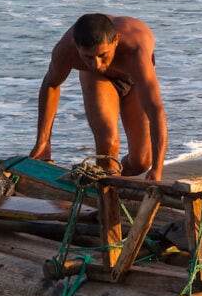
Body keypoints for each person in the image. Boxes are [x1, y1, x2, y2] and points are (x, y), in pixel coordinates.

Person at [29, 13, 168, 181]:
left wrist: (157, 169)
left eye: (102, 55)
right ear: (76, 45)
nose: (97, 64)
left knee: (142, 162)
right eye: (88, 57)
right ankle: (107, 195)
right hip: (97, 80)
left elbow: (156, 110)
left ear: (115, 40)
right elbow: (51, 84)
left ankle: (115, 179)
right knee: (108, 144)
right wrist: (43, 143)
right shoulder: (66, 50)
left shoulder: (135, 52)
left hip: (134, 80)